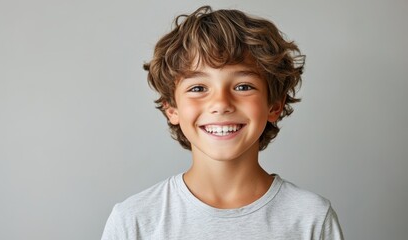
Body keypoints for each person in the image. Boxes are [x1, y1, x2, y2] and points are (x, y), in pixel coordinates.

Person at [101, 5, 344, 240]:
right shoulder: (134, 221)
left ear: (274, 106)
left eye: (243, 86)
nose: (221, 103)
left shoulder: (311, 218)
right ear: (171, 109)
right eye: (198, 88)